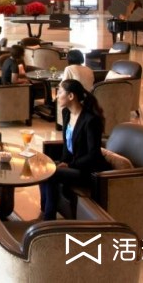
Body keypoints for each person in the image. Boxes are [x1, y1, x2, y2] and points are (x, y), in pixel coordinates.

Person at [40, 79, 110, 220]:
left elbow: (93, 154)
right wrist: (63, 161)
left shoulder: (91, 120)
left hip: (88, 170)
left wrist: (70, 165)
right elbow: (67, 145)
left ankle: (48, 219)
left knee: (52, 173)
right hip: (73, 163)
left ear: (71, 96)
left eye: (60, 92)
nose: (56, 96)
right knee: (44, 168)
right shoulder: (66, 113)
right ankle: (44, 211)